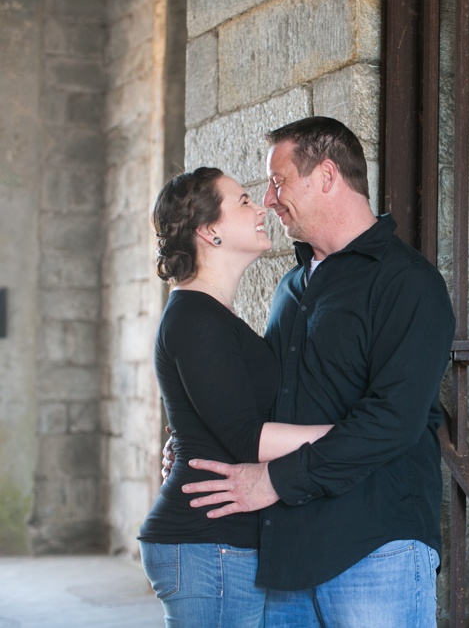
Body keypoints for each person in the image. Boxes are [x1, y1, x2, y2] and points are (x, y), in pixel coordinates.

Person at [180, 117, 456, 627]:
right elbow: (264, 400)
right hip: (288, 556)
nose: (268, 198)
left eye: (279, 181)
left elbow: (394, 420)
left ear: (326, 175)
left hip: (376, 549)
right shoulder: (291, 287)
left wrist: (273, 483)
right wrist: (196, 442)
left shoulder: (408, 282)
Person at [141, 167, 334, 627]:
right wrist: (353, 434)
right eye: (244, 201)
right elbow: (245, 436)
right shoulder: (194, 317)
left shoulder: (212, 315)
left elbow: (221, 416)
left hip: (221, 543)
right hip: (207, 540)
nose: (262, 206)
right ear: (209, 231)